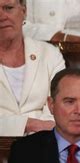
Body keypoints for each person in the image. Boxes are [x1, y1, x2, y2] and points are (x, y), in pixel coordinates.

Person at [0, 0, 65, 136]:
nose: (2, 16)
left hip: (43, 145)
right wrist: (29, 124)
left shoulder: (50, 55)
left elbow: (61, 105)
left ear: (24, 11)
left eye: (8, 8)